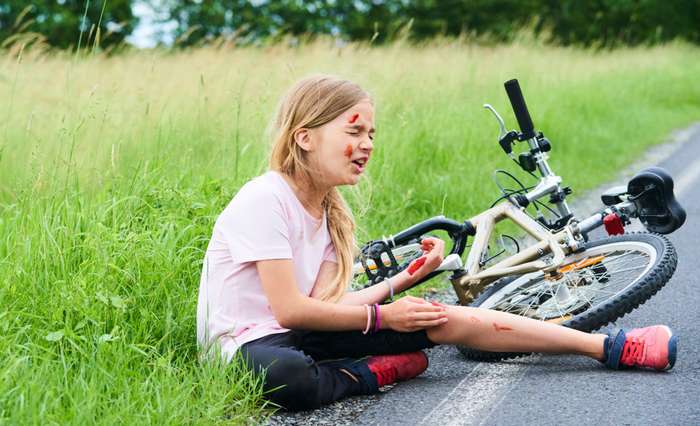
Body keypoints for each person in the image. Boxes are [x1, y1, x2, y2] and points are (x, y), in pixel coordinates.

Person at [196, 75, 678, 412]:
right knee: (286, 374)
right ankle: (363, 375)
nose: (366, 144)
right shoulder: (265, 198)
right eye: (354, 131)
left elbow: (327, 306)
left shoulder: (328, 210)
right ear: (304, 137)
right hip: (247, 345)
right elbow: (289, 312)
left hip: (306, 335)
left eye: (371, 134)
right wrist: (385, 317)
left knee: (440, 316)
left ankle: (607, 346)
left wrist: (406, 282)